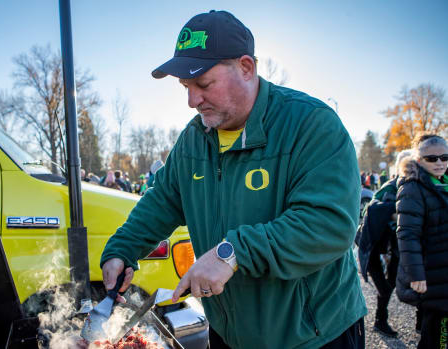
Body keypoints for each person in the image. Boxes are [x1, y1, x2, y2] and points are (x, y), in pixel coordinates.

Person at [99, 10, 366, 348]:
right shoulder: (194, 139)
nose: (192, 100)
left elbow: (330, 225)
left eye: (203, 84)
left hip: (313, 335)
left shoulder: (311, 124)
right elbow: (162, 200)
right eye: (185, 87)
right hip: (229, 334)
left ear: (246, 67)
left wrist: (233, 252)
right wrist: (123, 249)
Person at [395, 133, 448, 349]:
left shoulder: (444, 182)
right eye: (431, 159)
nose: (440, 163)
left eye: (444, 157)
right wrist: (416, 274)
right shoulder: (412, 188)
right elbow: (407, 234)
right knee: (437, 337)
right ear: (419, 160)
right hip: (432, 277)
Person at [356, 149, 412, 337]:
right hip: (372, 245)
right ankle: (380, 321)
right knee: (384, 288)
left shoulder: (417, 188)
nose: (413, 172)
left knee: (394, 283)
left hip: (393, 246)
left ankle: (385, 319)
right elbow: (371, 214)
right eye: (409, 168)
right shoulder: (388, 189)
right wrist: (393, 213)